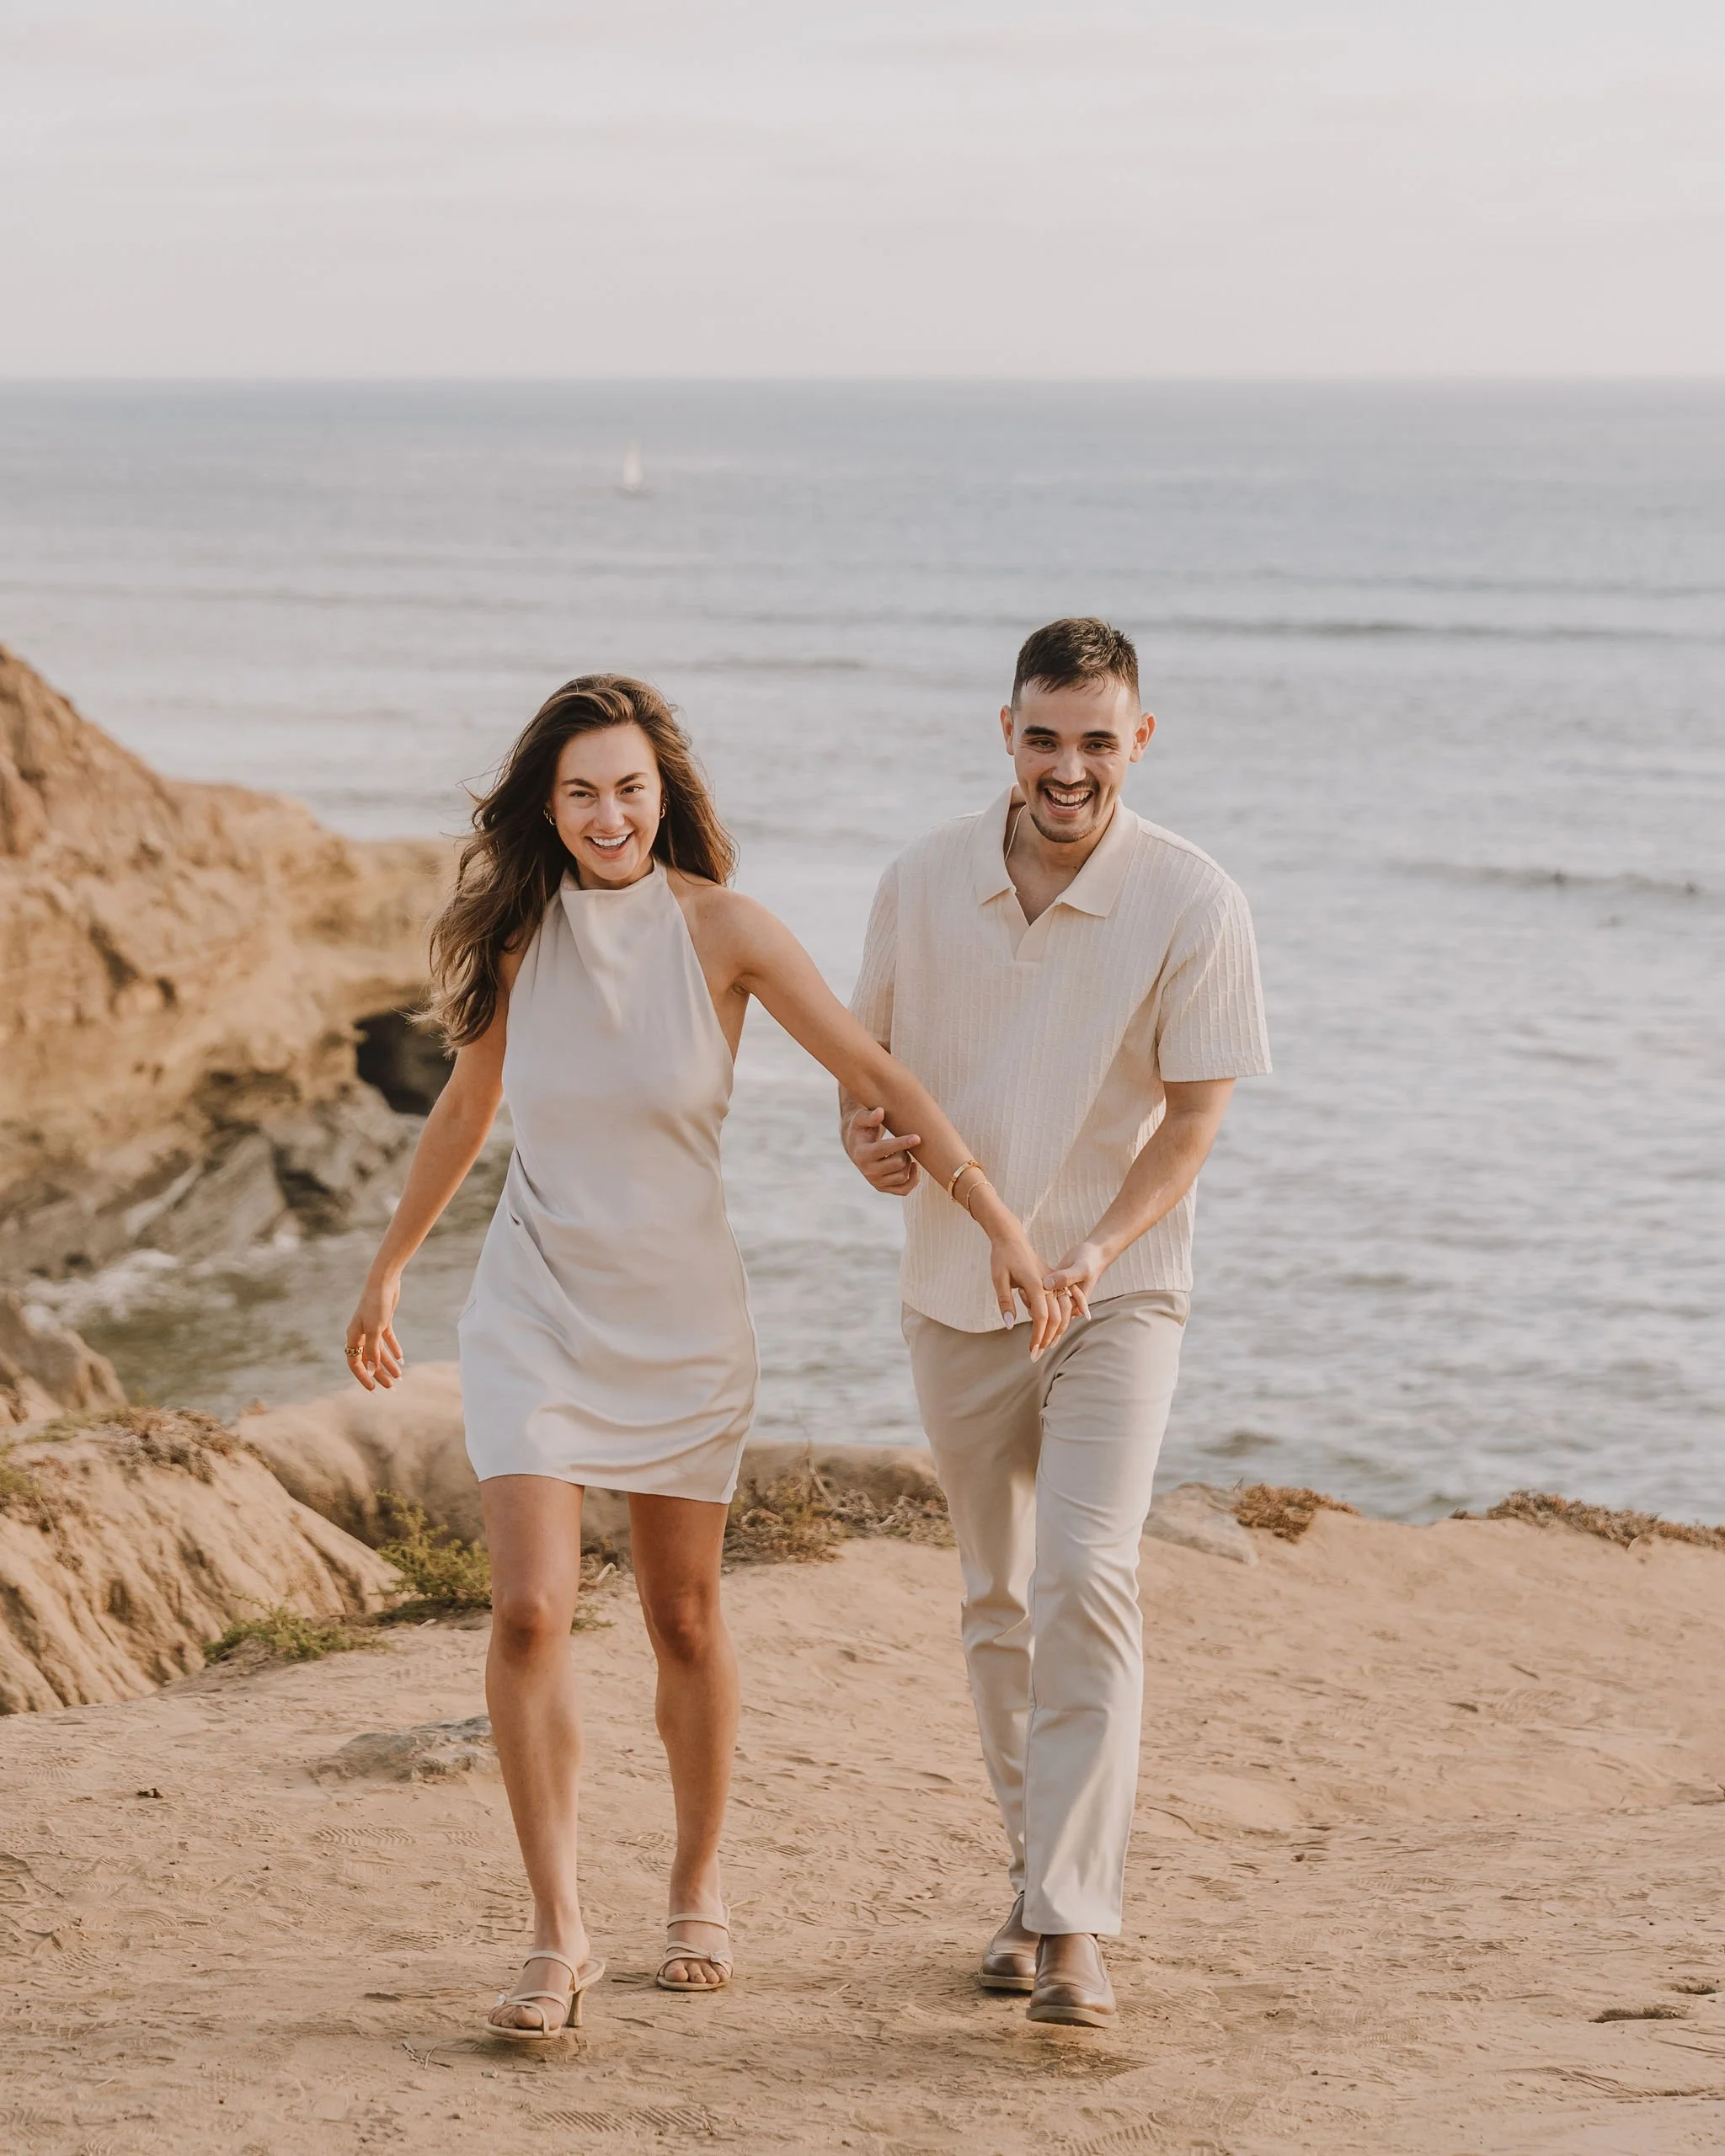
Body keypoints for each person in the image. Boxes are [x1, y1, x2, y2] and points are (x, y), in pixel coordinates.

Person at [344, 674, 1067, 2042]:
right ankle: (558, 1931)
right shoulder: (521, 939)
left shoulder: (724, 930)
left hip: (681, 1320)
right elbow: (466, 1102)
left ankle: (696, 1882)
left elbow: (879, 1073)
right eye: (580, 791)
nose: (607, 814)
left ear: (663, 792)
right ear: (545, 809)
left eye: (628, 787)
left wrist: (998, 1225)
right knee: (529, 1612)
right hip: (534, 1304)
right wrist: (386, 1268)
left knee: (684, 1618)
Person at [840, 618, 1270, 2027]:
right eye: (1045, 737)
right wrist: (873, 1147)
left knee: (1089, 1574)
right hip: (951, 1292)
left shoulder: (1195, 901)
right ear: (1006, 734)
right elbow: (872, 1083)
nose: (1069, 768)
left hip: (1115, 1294)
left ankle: (1077, 1922)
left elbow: (1195, 1121)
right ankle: (1035, 1875)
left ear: (1138, 741)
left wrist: (1092, 1248)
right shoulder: (919, 882)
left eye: (1098, 740)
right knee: (997, 1599)